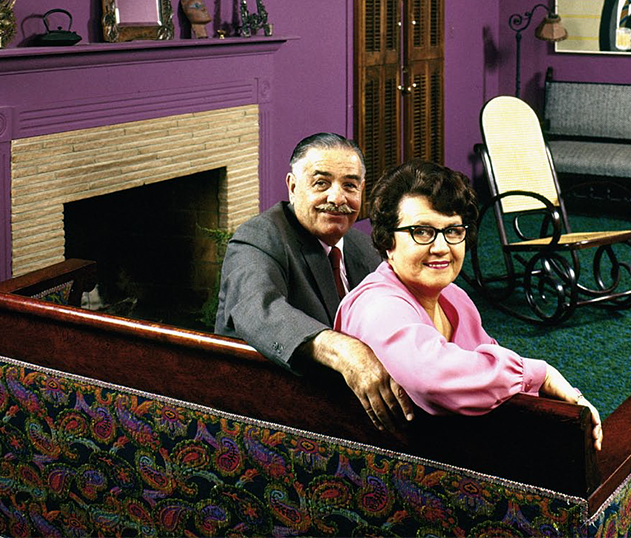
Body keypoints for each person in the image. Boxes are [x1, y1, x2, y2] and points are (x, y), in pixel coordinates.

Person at [333, 160, 601, 451]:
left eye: (453, 231)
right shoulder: (376, 305)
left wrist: (569, 405)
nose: (440, 247)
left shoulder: (455, 298)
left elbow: (488, 378)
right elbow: (432, 378)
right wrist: (541, 373)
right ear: (388, 241)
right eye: (421, 231)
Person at [216, 133, 413, 432]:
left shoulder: (363, 246)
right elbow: (257, 309)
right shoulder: (258, 237)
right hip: (271, 416)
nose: (337, 198)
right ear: (293, 188)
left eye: (350, 185)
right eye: (321, 183)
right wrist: (345, 351)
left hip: (354, 410)